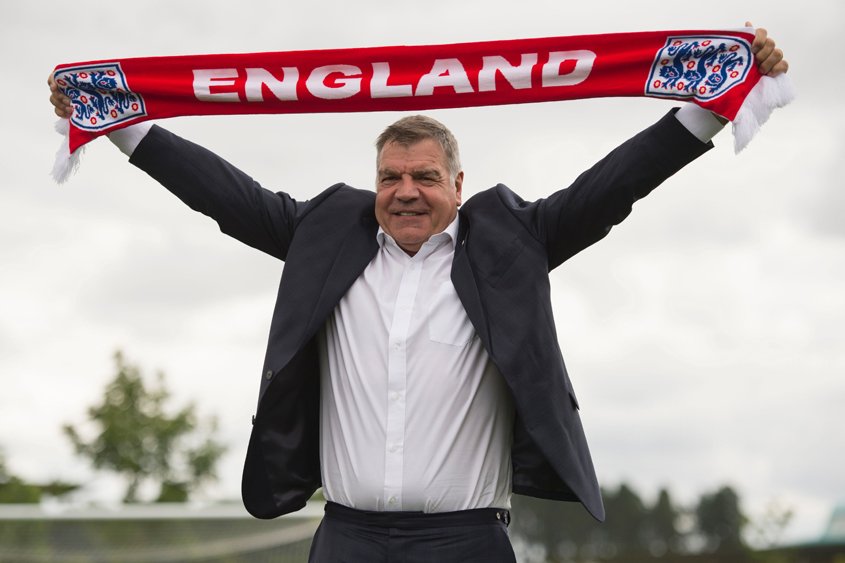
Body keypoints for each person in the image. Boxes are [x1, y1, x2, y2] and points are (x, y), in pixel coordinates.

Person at [49, 25, 787, 563]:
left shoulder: (513, 240)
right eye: (390, 178)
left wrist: (716, 103)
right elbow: (221, 193)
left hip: (466, 540)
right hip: (345, 538)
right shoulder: (322, 235)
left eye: (425, 177)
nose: (405, 192)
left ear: (457, 186)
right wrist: (116, 117)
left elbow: (613, 185)